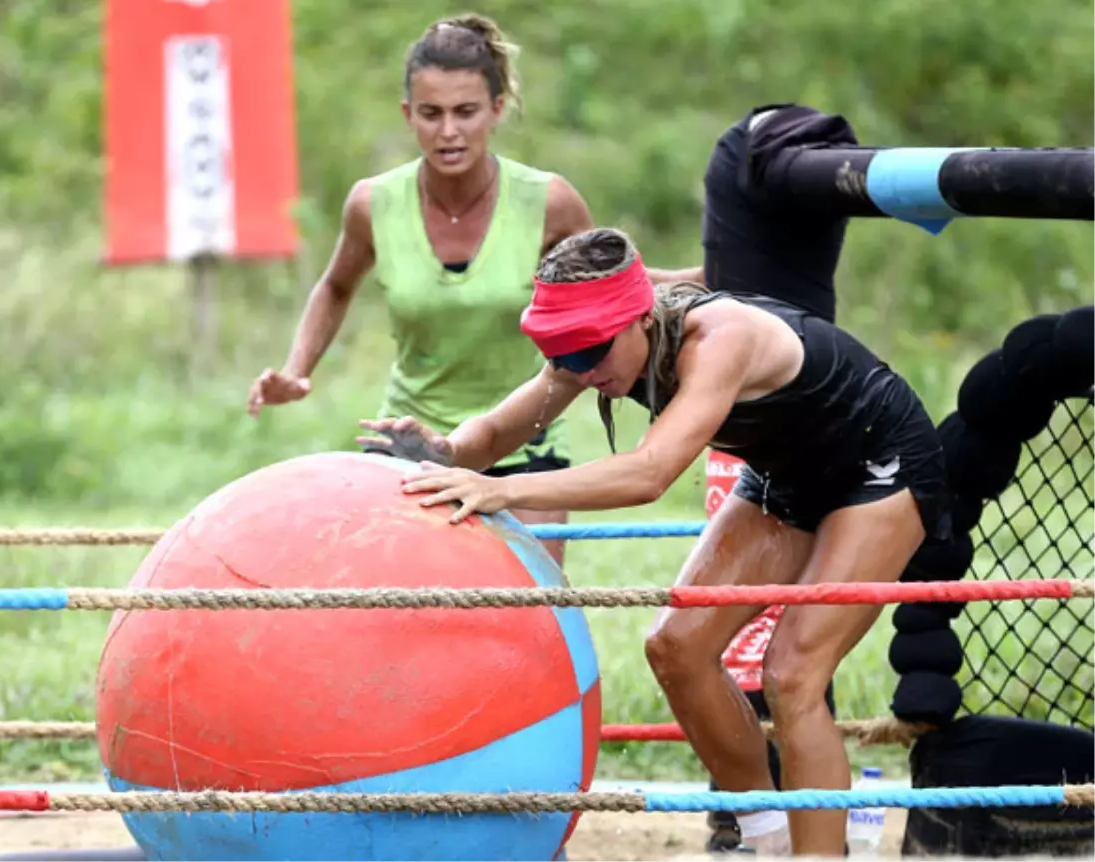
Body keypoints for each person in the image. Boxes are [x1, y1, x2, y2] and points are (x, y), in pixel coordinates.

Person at [358, 227, 950, 858]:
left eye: (590, 354)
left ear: (638, 318)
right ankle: (765, 834)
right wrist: (441, 452)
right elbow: (506, 425)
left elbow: (650, 473)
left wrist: (502, 492)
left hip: (878, 463)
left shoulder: (721, 339)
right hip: (787, 471)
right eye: (567, 355)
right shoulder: (594, 345)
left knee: (794, 674)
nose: (581, 370)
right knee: (676, 647)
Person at [246, 13, 699, 568]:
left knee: (534, 620)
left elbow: (623, 287)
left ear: (496, 109)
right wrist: (297, 370)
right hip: (413, 443)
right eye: (431, 114)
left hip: (524, 439)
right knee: (407, 615)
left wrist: (714, 275)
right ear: (407, 114)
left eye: (466, 112)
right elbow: (335, 286)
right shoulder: (373, 204)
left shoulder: (547, 202)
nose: (449, 131)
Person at [697, 102, 861, 852]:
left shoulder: (788, 188)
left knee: (789, 653)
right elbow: (723, 275)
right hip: (741, 426)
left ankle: (791, 818)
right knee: (731, 638)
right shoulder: (743, 242)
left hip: (800, 423)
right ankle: (745, 811)